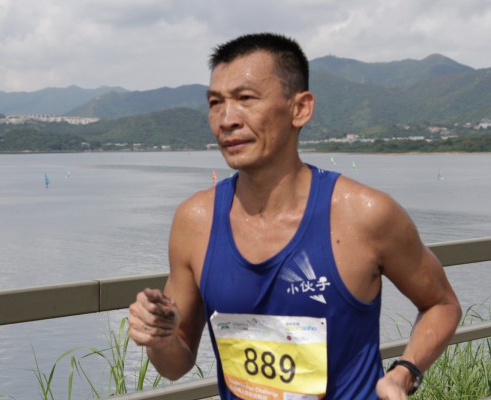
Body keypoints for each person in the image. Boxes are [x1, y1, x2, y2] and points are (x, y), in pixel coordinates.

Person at [128, 32, 462, 399]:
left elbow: (441, 304)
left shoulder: (365, 215)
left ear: (300, 108)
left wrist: (404, 373)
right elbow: (175, 365)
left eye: (245, 99)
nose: (226, 119)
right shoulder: (195, 221)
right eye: (215, 103)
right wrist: (159, 337)